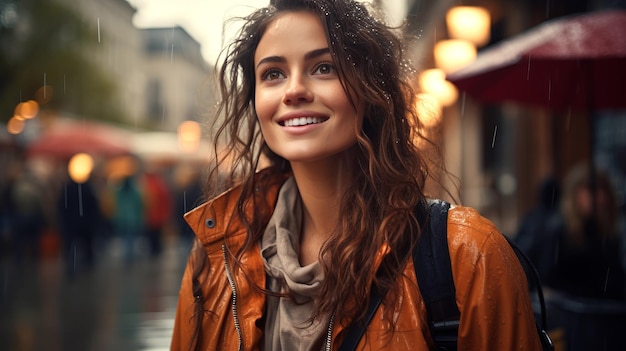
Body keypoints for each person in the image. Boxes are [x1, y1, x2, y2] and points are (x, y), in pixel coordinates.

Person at [171, 0, 543, 350]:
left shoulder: (468, 254)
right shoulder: (217, 260)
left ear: (370, 90)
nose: (295, 90)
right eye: (273, 74)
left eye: (323, 67)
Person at [540, 164, 625, 300]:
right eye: (592, 190)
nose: (601, 197)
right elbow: (549, 280)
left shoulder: (608, 231)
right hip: (571, 313)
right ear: (574, 194)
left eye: (604, 190)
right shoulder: (558, 230)